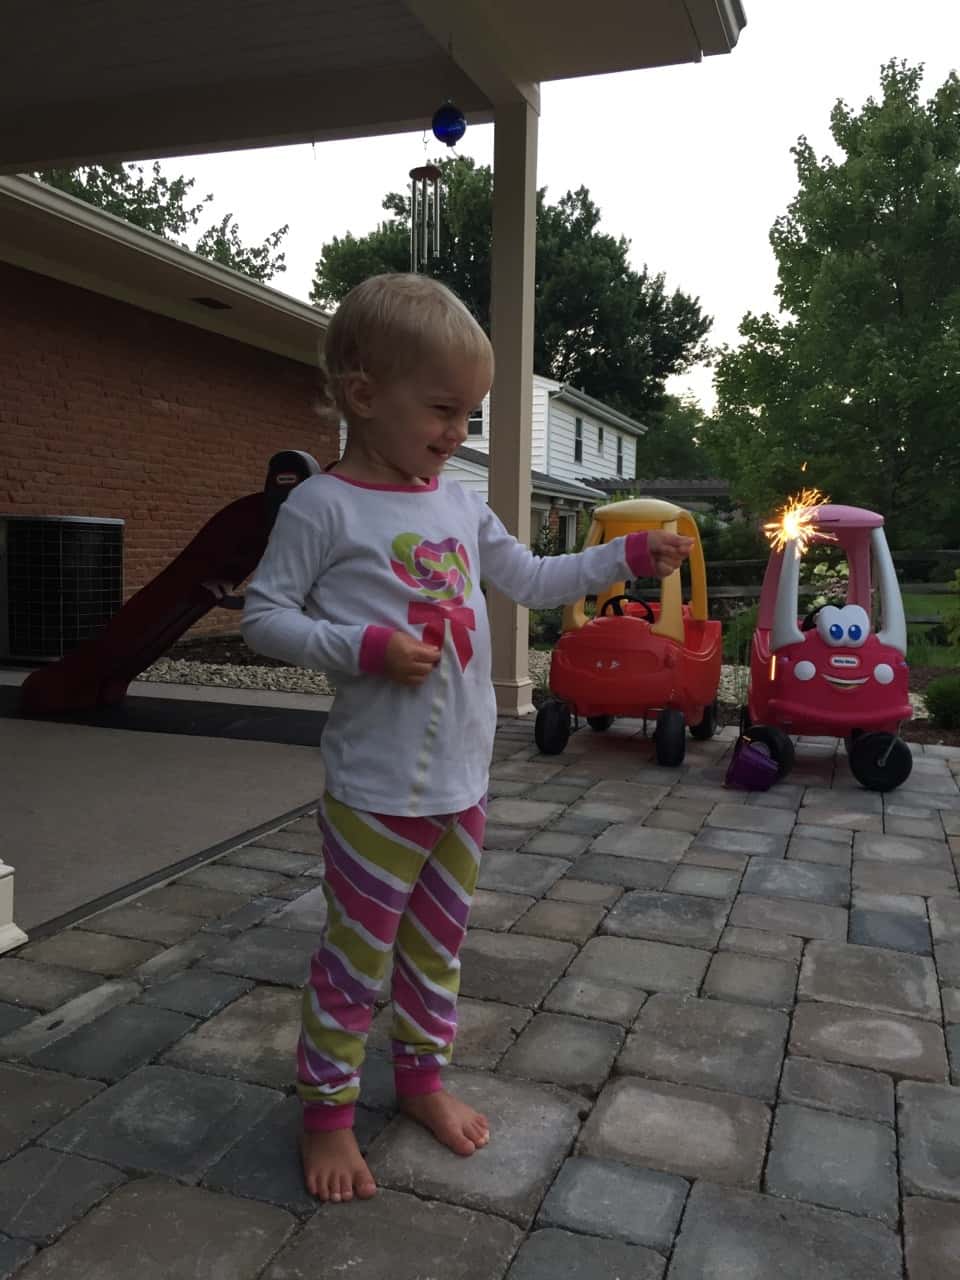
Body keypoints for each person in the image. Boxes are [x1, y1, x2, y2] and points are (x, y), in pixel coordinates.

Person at [241, 273, 692, 1205]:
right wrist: (361, 646)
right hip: (374, 790)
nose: (458, 433)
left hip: (461, 781)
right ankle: (324, 1115)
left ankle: (420, 1083)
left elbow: (528, 577)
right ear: (365, 396)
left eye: (471, 414)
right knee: (356, 958)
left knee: (438, 948)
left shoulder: (455, 502)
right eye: (444, 409)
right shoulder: (321, 508)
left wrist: (627, 557)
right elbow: (264, 619)